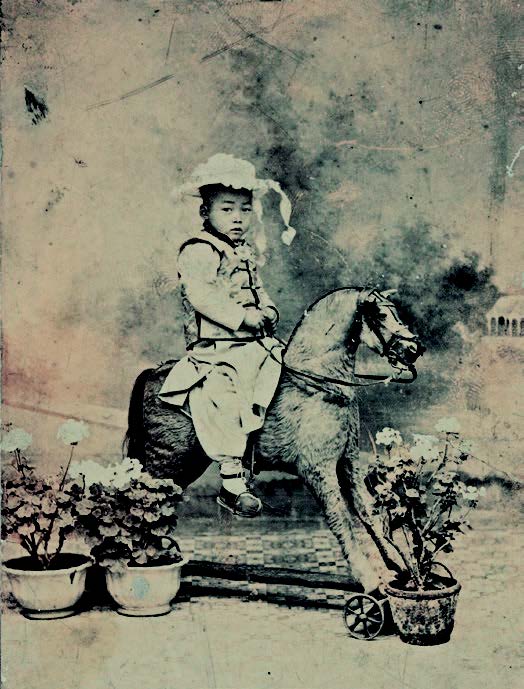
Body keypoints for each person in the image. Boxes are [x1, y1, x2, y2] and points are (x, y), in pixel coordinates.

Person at [158, 154, 296, 517]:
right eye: (227, 209)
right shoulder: (199, 250)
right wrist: (243, 318)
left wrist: (268, 310)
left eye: (245, 210)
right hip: (216, 348)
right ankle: (232, 480)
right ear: (205, 212)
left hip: (252, 343)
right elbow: (202, 295)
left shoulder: (243, 251)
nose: (238, 218)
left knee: (288, 369)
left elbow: (257, 289)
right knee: (225, 390)